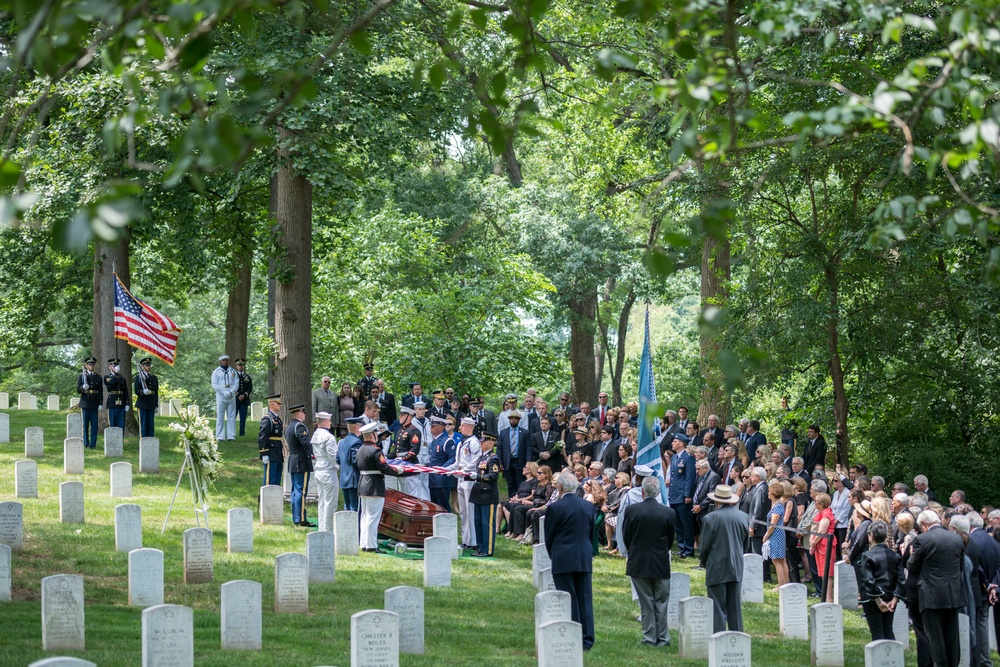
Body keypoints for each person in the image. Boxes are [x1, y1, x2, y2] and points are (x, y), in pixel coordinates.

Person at [621, 476, 677, 647]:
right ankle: (662, 638)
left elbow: (626, 536)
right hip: (660, 561)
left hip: (639, 561)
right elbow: (670, 540)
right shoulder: (669, 512)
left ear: (643, 491)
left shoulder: (632, 510)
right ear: (659, 491)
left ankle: (649, 637)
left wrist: (635, 551)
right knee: (661, 601)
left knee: (646, 602)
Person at [545, 470, 596, 650]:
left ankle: (573, 634)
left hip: (563, 556)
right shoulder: (588, 507)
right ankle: (587, 638)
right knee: (584, 598)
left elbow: (549, 537)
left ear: (560, 487)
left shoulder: (555, 507)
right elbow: (591, 534)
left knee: (568, 598)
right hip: (583, 556)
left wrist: (555, 555)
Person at [909, 509, 966, 667]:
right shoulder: (956, 538)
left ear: (925, 524)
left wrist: (909, 554)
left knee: (934, 637)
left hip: (931, 594)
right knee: (951, 636)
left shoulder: (922, 539)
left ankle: (940, 664)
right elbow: (961, 567)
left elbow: (912, 567)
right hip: (952, 594)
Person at [699, 485, 750, 632]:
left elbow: (704, 547)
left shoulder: (710, 518)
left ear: (716, 502)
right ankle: (738, 636)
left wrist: (703, 562)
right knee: (735, 607)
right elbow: (745, 544)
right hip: (736, 565)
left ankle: (719, 638)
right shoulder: (743, 516)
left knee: (717, 606)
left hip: (717, 566)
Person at [356, 421, 405, 552]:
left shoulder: (360, 450)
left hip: (363, 485)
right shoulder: (375, 451)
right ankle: (371, 545)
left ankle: (364, 543)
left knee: (365, 516)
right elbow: (384, 467)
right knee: (373, 517)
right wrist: (398, 471)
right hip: (374, 486)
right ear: (372, 435)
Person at [858, 520, 901, 641]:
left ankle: (880, 660)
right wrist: (894, 599)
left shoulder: (868, 555)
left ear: (871, 536)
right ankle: (892, 659)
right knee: (888, 630)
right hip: (890, 597)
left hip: (872, 598)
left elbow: (868, 580)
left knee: (877, 631)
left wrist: (878, 600)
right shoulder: (895, 556)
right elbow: (901, 580)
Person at [468, 432, 502, 557]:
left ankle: (487, 550)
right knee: (478, 522)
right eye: (481, 442)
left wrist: (477, 476)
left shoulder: (493, 458)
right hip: (478, 493)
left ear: (491, 443)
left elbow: (493, 476)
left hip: (488, 495)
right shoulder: (482, 458)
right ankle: (480, 547)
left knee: (487, 524)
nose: (481, 444)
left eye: (483, 442)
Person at [452, 417, 482, 550]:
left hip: (469, 479)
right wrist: (448, 470)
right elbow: (457, 462)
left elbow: (476, 461)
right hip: (460, 478)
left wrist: (464, 470)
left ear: (470, 427)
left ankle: (473, 541)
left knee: (470, 511)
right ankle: (465, 540)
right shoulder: (460, 442)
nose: (460, 428)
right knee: (463, 512)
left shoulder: (474, 443)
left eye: (463, 426)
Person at [285, 403, 315, 528]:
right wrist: (313, 452)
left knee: (295, 491)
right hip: (301, 462)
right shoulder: (299, 426)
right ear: (299, 413)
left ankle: (296, 517)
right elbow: (306, 443)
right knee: (301, 492)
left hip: (294, 462)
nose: (305, 415)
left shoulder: (290, 426)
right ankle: (301, 519)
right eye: (303, 412)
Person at [667, 433, 696, 558]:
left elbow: (690, 478)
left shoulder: (688, 458)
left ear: (681, 443)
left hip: (682, 494)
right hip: (674, 494)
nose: (672, 443)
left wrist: (688, 495)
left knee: (685, 523)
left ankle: (689, 549)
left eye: (675, 441)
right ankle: (681, 546)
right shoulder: (674, 458)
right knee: (677, 523)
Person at [311, 411, 339, 532]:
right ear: (325, 421)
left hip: (319, 469)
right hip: (328, 470)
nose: (330, 423)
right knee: (330, 503)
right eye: (329, 421)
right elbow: (334, 456)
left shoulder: (316, 434)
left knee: (322, 502)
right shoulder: (328, 437)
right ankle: (328, 530)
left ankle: (322, 528)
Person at [810, 493, 838, 602]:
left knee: (827, 571)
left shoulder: (826, 514)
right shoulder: (821, 513)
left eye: (816, 501)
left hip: (825, 544)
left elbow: (822, 531)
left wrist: (813, 542)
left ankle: (829, 598)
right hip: (821, 544)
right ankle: (825, 596)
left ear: (821, 503)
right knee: (822, 571)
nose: (814, 503)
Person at [427, 416, 457, 511]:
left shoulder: (447, 441)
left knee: (443, 507)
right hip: (433, 480)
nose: (431, 427)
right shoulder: (433, 442)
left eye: (433, 425)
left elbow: (453, 458)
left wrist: (441, 469)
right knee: (435, 507)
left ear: (440, 427)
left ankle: (448, 525)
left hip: (442, 480)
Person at [336, 416, 364, 512]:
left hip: (344, 479)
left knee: (347, 508)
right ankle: (354, 527)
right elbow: (356, 461)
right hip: (353, 480)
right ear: (356, 427)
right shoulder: (356, 442)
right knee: (354, 509)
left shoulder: (341, 442)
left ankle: (346, 527)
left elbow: (338, 460)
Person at [498, 411, 530, 498]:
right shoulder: (503, 432)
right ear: (509, 420)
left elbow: (528, 449)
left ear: (519, 420)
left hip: (520, 461)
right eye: (511, 418)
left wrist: (528, 462)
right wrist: (500, 462)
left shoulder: (525, 432)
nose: (513, 420)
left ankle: (519, 500)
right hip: (507, 462)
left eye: (515, 418)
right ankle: (511, 501)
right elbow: (499, 448)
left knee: (520, 483)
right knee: (510, 483)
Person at [764, 479, 788, 585]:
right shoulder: (776, 504)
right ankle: (785, 583)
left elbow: (773, 524)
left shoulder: (778, 506)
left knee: (777, 560)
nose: (768, 493)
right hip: (777, 534)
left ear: (773, 493)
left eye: (769, 491)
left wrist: (766, 535)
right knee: (781, 560)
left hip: (776, 534)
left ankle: (781, 585)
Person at [258, 394, 284, 487]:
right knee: (269, 480)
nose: (280, 405)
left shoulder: (278, 419)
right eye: (278, 403)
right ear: (271, 404)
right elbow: (262, 437)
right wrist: (264, 453)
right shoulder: (267, 419)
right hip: (270, 453)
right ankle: (266, 500)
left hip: (277, 452)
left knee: (277, 478)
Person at [77, 356, 103, 449]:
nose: (91, 366)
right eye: (89, 364)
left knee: (94, 425)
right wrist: (82, 388)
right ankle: (85, 443)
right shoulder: (82, 376)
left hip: (95, 402)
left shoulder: (98, 377)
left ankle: (93, 444)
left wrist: (100, 403)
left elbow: (100, 391)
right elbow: (78, 390)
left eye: (92, 364)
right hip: (85, 402)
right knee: (85, 424)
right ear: (86, 365)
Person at [210, 354, 238, 441]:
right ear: (220, 361)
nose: (225, 362)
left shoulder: (232, 371)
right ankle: (220, 436)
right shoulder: (216, 372)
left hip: (231, 395)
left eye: (226, 360)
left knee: (231, 415)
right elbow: (214, 384)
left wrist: (231, 392)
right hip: (221, 395)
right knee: (220, 415)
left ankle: (231, 436)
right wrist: (224, 392)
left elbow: (236, 383)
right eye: (223, 360)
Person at [132, 357, 158, 438]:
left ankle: (151, 443)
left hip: (151, 404)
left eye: (149, 365)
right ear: (142, 366)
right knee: (143, 426)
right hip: (142, 404)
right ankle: (143, 444)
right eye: (146, 365)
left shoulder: (154, 377)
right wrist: (143, 392)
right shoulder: (139, 377)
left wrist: (156, 404)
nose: (148, 367)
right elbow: (136, 390)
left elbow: (156, 392)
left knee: (151, 426)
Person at [104, 357, 127, 430]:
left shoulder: (122, 377)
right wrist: (115, 374)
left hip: (121, 402)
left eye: (117, 365)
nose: (116, 367)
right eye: (114, 366)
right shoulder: (107, 377)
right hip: (112, 402)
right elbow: (110, 384)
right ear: (110, 367)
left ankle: (120, 441)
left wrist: (127, 403)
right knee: (112, 424)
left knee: (121, 425)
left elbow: (125, 391)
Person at [234, 358, 253, 436]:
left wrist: (244, 395)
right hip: (235, 400)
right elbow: (231, 387)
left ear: (244, 366)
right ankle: (232, 432)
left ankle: (242, 432)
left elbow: (250, 388)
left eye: (242, 365)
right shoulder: (233, 376)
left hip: (244, 400)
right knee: (233, 417)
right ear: (236, 366)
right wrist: (238, 395)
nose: (240, 366)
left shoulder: (247, 377)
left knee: (243, 418)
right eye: (239, 365)